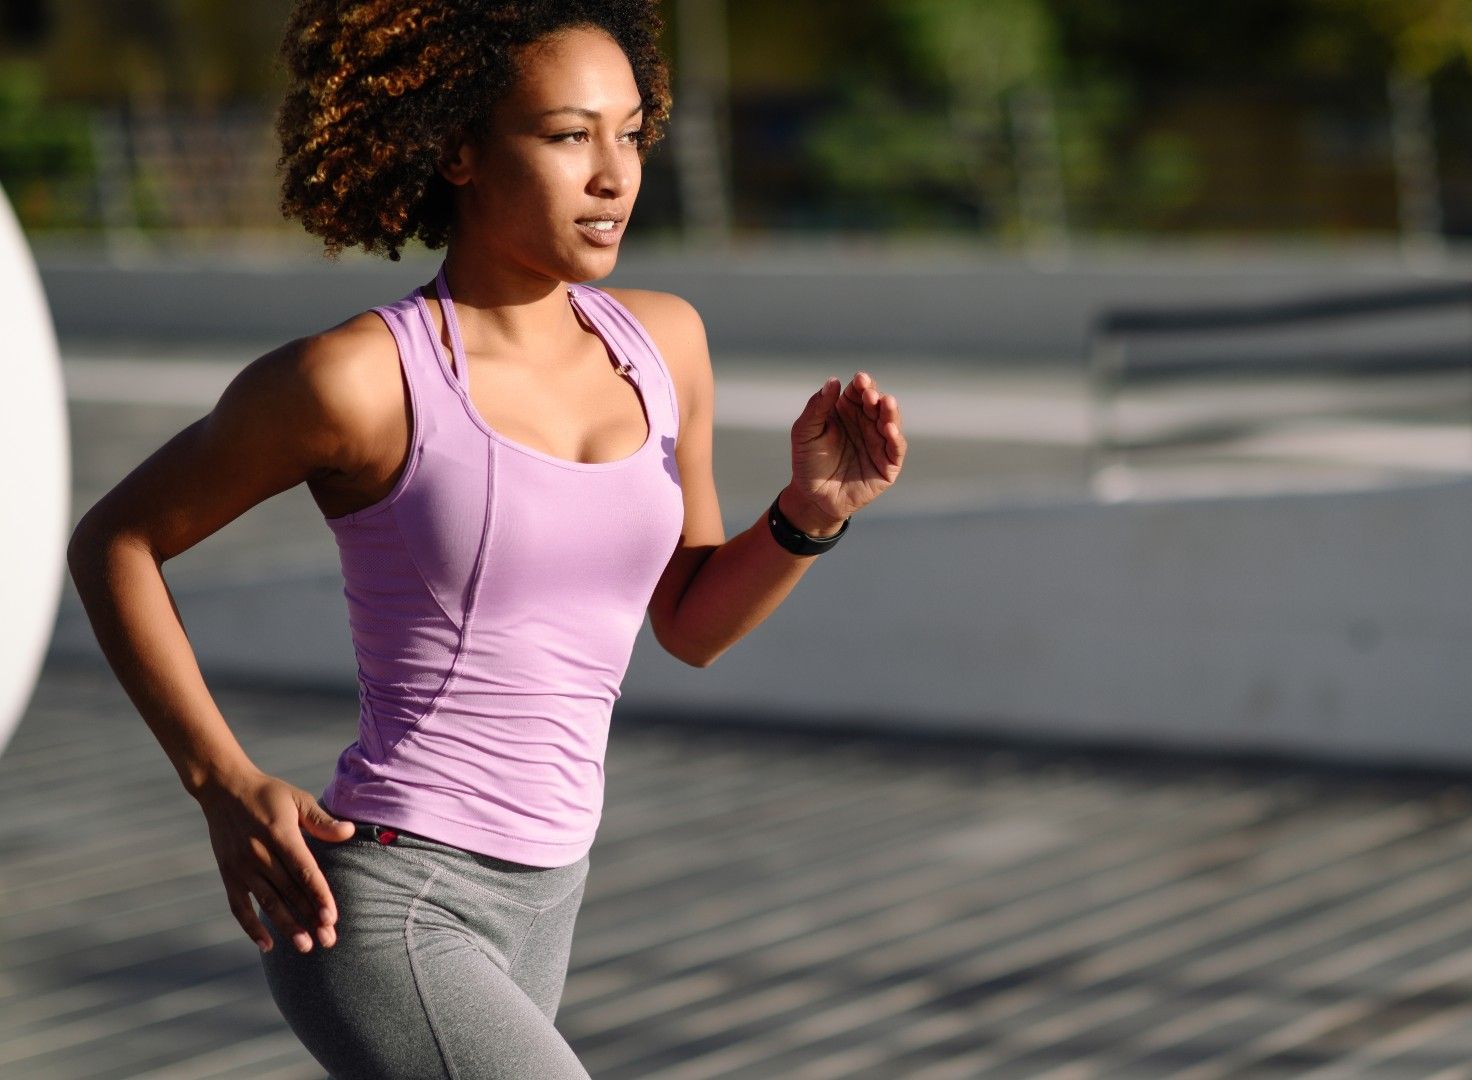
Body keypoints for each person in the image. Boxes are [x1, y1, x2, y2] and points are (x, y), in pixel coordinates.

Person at [62, 1, 907, 1076]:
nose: (614, 174)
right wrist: (220, 783)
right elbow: (115, 542)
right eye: (567, 136)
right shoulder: (359, 381)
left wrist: (810, 516)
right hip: (391, 901)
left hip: (552, 894)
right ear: (457, 149)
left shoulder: (664, 344)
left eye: (631, 132)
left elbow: (690, 624)